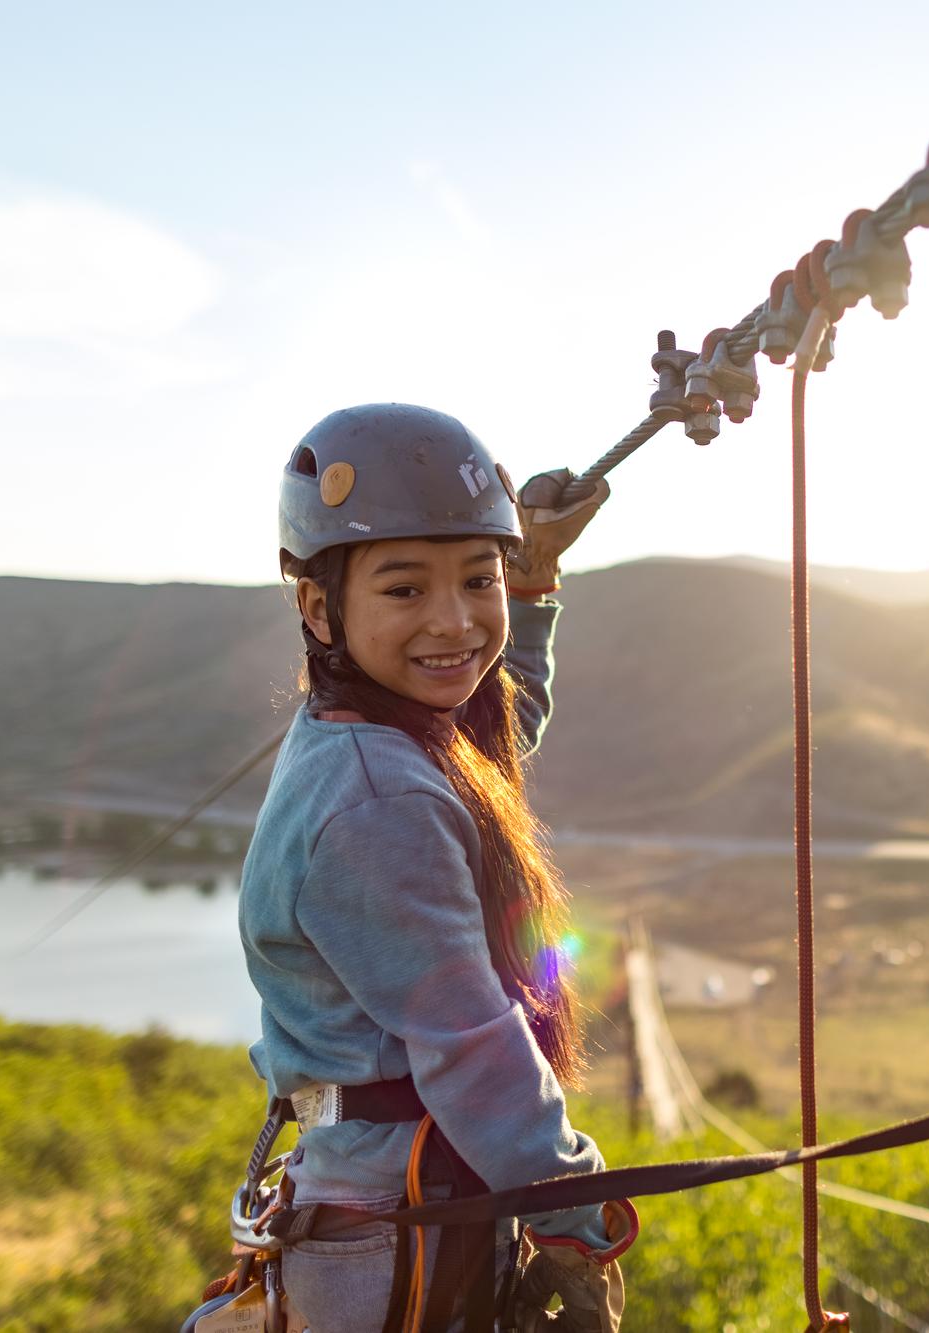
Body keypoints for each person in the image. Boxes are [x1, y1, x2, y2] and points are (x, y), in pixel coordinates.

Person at [237, 403, 630, 1332]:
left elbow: (492, 739)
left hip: (390, 1196)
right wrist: (575, 1215)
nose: (454, 623)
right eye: (406, 590)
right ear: (319, 606)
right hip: (397, 1229)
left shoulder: (361, 731)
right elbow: (473, 1046)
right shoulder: (378, 795)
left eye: (478, 580)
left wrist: (530, 592)